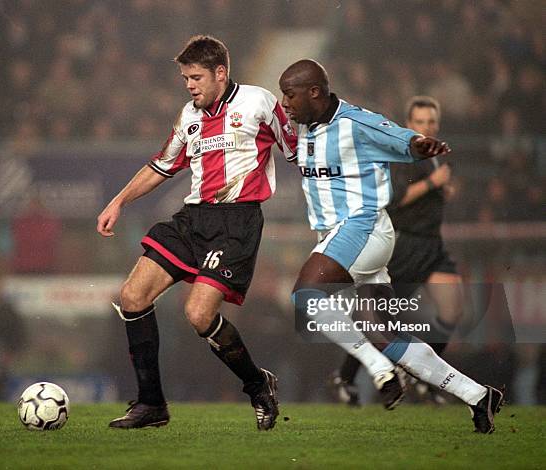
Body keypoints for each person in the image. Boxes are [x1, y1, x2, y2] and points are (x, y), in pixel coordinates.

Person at [279, 59, 504, 433]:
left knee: (306, 296)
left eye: (290, 95)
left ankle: (382, 372)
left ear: (314, 92)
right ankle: (478, 396)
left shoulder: (354, 122)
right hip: (346, 237)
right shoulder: (304, 127)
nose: (285, 103)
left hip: (361, 228)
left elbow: (399, 137)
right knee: (382, 333)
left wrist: (419, 144)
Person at [97, 36, 297, 431]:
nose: (189, 85)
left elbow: (297, 149)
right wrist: (118, 201)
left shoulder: (258, 102)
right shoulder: (189, 115)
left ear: (220, 73)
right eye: (186, 78)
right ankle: (151, 404)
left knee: (198, 314)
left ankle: (257, 385)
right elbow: (162, 165)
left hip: (237, 222)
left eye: (196, 77)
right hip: (193, 218)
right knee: (132, 296)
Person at [334, 96, 463, 405]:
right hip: (405, 246)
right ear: (409, 125)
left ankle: (423, 376)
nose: (427, 127)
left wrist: (441, 189)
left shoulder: (432, 155)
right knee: (377, 318)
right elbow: (393, 198)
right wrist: (434, 183)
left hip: (432, 244)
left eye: (431, 122)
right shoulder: (403, 154)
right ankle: (345, 377)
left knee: (453, 308)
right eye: (420, 122)